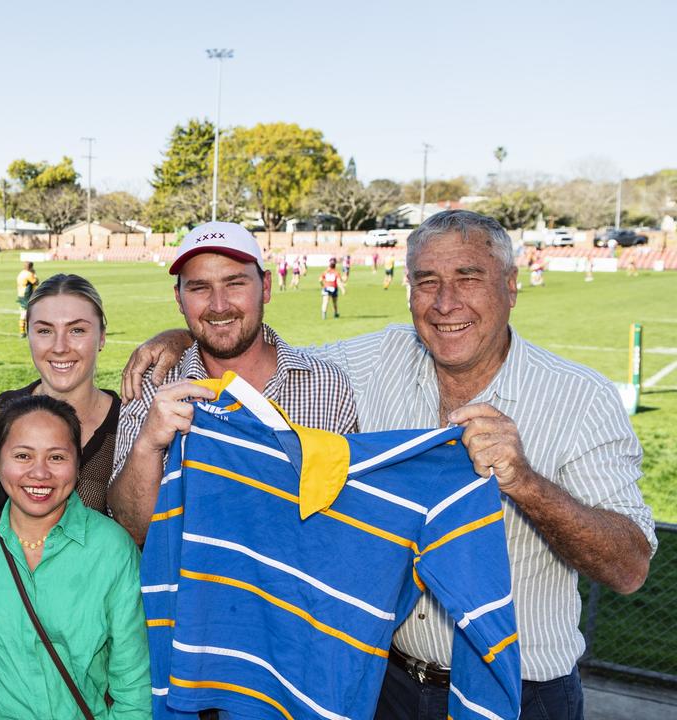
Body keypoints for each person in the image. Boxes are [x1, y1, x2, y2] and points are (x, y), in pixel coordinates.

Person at [120, 210, 656, 718]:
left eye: (468, 278)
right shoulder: (373, 362)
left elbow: (629, 568)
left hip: (524, 690)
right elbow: (249, 348)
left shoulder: (580, 398)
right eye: (426, 281)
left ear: (511, 286)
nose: (446, 303)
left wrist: (526, 483)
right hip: (385, 684)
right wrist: (183, 336)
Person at [107, 221, 358, 546]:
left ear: (266, 286)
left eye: (235, 283)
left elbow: (346, 525)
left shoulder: (326, 386)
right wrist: (149, 444)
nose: (219, 304)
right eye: (199, 288)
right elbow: (133, 532)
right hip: (191, 593)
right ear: (179, 298)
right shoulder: (152, 385)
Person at [0, 395, 151, 719]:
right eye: (22, 455)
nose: (39, 473)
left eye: (57, 457)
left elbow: (135, 694)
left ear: (78, 464)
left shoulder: (113, 551)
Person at [0, 274, 119, 513]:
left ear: (102, 337)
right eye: (45, 331)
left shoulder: (128, 423)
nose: (59, 347)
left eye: (77, 330)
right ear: (29, 335)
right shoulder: (4, 409)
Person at [16, 261, 39, 337]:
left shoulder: (21, 273)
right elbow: (36, 282)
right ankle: (29, 331)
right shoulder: (29, 274)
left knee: (23, 312)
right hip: (27, 295)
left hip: (21, 295)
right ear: (31, 267)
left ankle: (22, 332)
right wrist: (34, 275)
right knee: (29, 313)